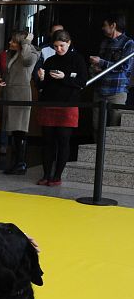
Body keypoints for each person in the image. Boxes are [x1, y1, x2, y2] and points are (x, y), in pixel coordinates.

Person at [36, 29, 88, 186]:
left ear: (69, 43)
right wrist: (41, 78)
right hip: (49, 103)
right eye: (56, 46)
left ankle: (57, 176)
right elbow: (43, 86)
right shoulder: (50, 60)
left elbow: (82, 82)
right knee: (47, 141)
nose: (59, 49)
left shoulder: (77, 59)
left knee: (63, 140)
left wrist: (64, 77)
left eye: (62, 46)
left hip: (68, 105)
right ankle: (46, 174)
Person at [1, 30, 39, 175]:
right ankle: (16, 162)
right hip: (11, 94)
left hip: (21, 95)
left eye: (13, 41)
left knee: (20, 130)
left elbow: (27, 60)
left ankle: (21, 163)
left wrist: (27, 41)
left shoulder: (32, 53)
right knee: (14, 130)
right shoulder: (14, 54)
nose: (10, 43)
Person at [89, 14, 134, 130]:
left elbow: (125, 67)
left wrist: (101, 62)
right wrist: (95, 67)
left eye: (105, 25)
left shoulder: (128, 43)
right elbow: (101, 64)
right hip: (100, 89)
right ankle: (96, 148)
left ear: (113, 25)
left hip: (117, 91)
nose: (103, 28)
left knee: (114, 127)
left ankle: (108, 149)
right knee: (96, 126)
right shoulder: (104, 42)